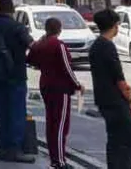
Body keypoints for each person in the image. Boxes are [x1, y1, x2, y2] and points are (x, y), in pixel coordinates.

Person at [27, 17, 83, 169]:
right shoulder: (59, 45)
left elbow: (30, 59)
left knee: (51, 122)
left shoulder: (40, 44)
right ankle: (59, 161)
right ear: (59, 29)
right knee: (60, 125)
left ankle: (54, 159)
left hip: (45, 84)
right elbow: (67, 67)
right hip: (60, 87)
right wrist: (77, 84)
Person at [89, 10, 131, 169]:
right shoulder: (108, 47)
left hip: (104, 100)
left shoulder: (96, 45)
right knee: (129, 144)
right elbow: (119, 78)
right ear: (114, 26)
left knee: (115, 142)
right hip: (115, 101)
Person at [0, 0, 35, 163]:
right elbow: (31, 45)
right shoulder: (17, 27)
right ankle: (14, 149)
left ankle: (3, 148)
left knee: (2, 114)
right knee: (16, 113)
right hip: (16, 75)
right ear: (12, 10)